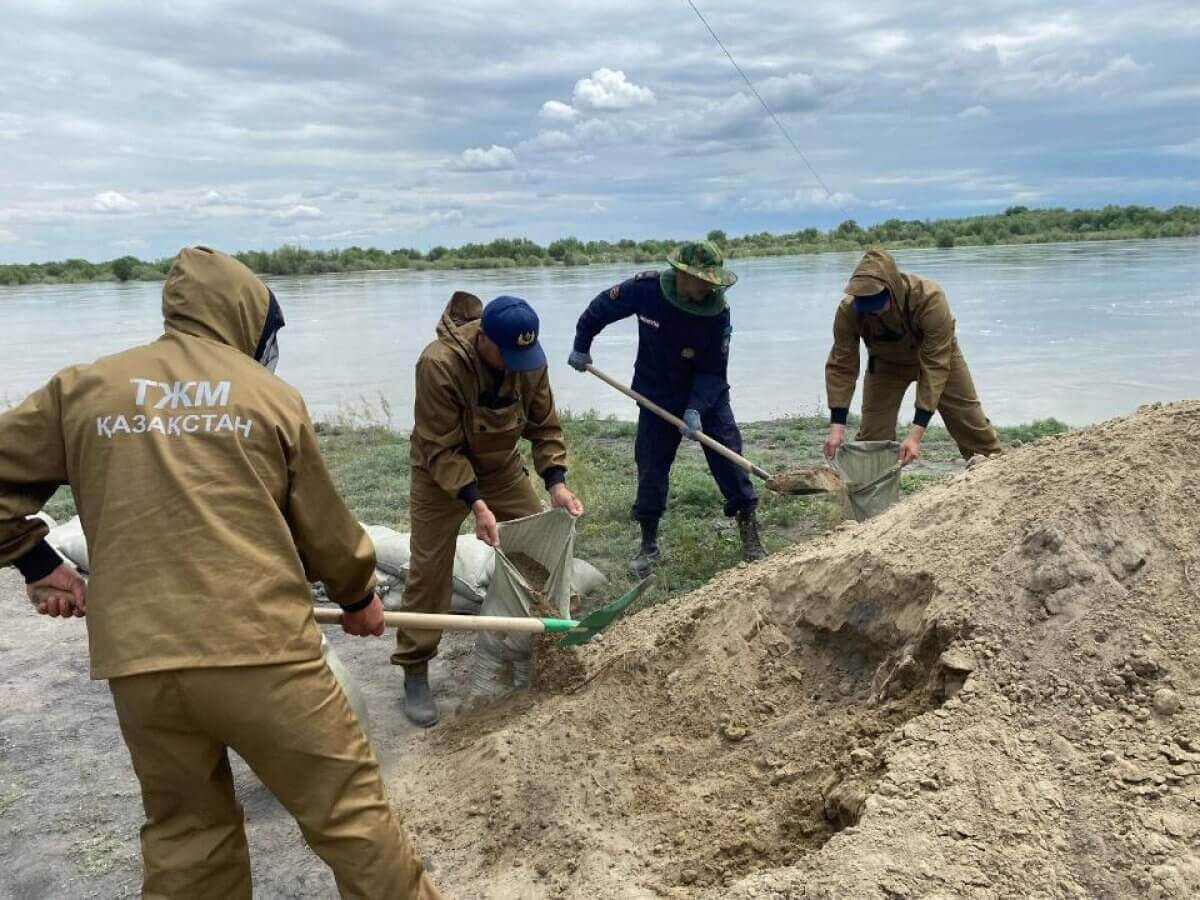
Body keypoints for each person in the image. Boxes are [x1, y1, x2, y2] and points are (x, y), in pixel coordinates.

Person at [0, 247, 440, 900]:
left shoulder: (83, 389)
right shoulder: (269, 397)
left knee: (187, 842)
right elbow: (328, 533)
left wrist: (37, 560)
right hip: (261, 652)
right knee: (351, 820)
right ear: (245, 319)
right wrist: (358, 597)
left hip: (142, 666)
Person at [393, 292, 583, 727]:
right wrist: (475, 503)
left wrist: (556, 481)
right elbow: (440, 449)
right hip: (439, 475)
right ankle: (415, 665)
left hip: (500, 469)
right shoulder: (438, 364)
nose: (520, 363)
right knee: (429, 570)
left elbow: (545, 425)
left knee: (536, 550)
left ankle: (538, 646)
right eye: (509, 355)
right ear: (484, 340)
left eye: (525, 354)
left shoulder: (529, 360)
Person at [568, 240, 763, 574]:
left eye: (711, 281)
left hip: (707, 396)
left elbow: (714, 369)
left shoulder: (718, 310)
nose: (707, 288)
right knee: (651, 467)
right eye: (701, 280)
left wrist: (696, 409)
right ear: (681, 275)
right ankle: (648, 543)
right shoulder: (645, 290)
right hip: (656, 393)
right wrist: (581, 345)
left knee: (729, 459)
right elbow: (600, 309)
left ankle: (750, 533)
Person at [823, 248, 1003, 465]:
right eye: (865, 305)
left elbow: (935, 365)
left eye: (877, 303)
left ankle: (995, 472)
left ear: (893, 289)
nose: (872, 311)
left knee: (971, 425)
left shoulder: (929, 299)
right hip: (886, 364)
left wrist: (915, 435)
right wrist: (837, 427)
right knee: (872, 441)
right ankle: (874, 493)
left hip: (940, 359)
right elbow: (842, 365)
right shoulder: (849, 310)